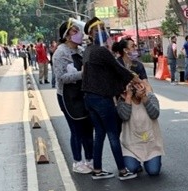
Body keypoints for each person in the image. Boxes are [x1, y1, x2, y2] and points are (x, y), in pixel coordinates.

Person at [81, 17, 142, 180]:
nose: (103, 32)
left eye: (103, 28)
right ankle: (122, 171)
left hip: (89, 98)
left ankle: (97, 170)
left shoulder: (88, 51)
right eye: (99, 29)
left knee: (99, 133)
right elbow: (118, 69)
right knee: (112, 133)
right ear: (93, 34)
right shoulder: (101, 51)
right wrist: (135, 79)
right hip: (101, 98)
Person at [54, 19, 95, 175]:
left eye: (79, 30)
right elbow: (61, 77)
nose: (78, 34)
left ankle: (90, 160)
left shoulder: (81, 51)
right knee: (76, 129)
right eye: (74, 31)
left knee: (88, 128)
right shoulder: (60, 53)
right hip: (68, 96)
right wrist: (82, 74)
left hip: (83, 94)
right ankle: (77, 162)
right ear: (66, 35)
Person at [117, 81, 163, 176]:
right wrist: (128, 97)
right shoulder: (123, 100)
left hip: (151, 145)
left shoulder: (150, 96)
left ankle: (154, 160)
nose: (136, 89)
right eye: (132, 87)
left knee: (153, 171)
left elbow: (154, 114)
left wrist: (144, 98)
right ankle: (135, 163)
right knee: (131, 168)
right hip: (131, 145)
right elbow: (125, 116)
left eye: (137, 86)